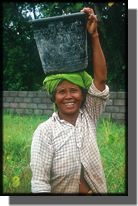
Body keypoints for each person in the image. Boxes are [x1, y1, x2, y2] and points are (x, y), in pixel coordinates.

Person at [30, 7, 109, 194]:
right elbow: (40, 183)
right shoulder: (45, 132)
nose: (68, 96)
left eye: (74, 90)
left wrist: (94, 35)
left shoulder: (89, 116)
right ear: (53, 97)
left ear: (82, 94)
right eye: (61, 92)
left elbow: (100, 80)